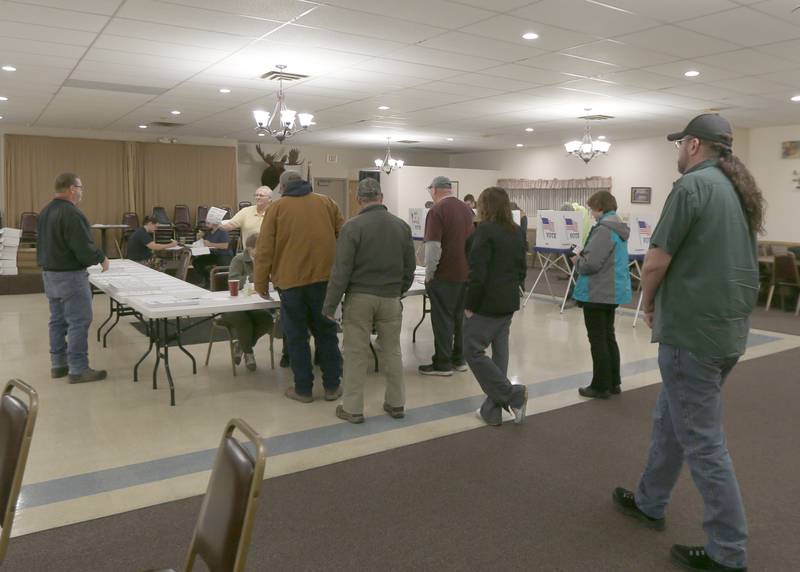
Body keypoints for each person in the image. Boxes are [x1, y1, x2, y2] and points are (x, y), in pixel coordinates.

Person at [613, 114, 764, 572]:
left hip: (691, 332)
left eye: (679, 144)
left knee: (703, 442)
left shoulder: (692, 187)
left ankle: (728, 551)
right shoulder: (738, 191)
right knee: (670, 419)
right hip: (727, 331)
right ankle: (650, 500)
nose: (677, 152)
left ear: (694, 145)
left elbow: (656, 261)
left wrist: (648, 303)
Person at [322, 178, 415, 423]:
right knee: (393, 351)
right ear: (381, 197)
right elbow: (410, 268)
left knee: (355, 353)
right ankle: (396, 404)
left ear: (358, 200)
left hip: (360, 298)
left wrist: (330, 305)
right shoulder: (402, 227)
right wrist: (400, 290)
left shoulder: (352, 227)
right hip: (391, 298)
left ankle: (352, 408)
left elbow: (341, 270)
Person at [254, 170, 345, 403]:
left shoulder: (276, 208)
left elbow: (264, 249)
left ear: (282, 188)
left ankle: (303, 390)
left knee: (296, 338)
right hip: (325, 281)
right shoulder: (327, 203)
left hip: (291, 283)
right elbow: (343, 237)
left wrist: (261, 283)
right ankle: (333, 386)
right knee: (327, 334)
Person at [463, 187, 528, 426]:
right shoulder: (516, 232)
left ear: (484, 206)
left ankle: (513, 395)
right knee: (500, 352)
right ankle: (492, 409)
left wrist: (471, 304)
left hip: (487, 303)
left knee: (471, 349)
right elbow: (522, 269)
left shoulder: (485, 232)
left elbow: (478, 272)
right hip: (508, 301)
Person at [37, 172, 109, 383]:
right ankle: (78, 369)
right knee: (78, 321)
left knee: (57, 321)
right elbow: (84, 249)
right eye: (80, 188)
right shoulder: (72, 214)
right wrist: (101, 257)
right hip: (70, 277)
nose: (81, 192)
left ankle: (58, 365)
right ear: (72, 189)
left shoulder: (45, 212)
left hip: (49, 274)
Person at [571, 190, 632, 399]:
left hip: (598, 291)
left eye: (592, 209)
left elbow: (591, 264)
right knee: (608, 336)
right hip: (612, 290)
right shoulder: (618, 227)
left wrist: (577, 260)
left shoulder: (603, 229)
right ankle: (614, 382)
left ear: (600, 207)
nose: (592, 214)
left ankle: (600, 385)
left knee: (597, 339)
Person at [420, 176, 474, 376]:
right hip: (465, 273)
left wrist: (429, 273)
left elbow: (433, 246)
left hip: (445, 274)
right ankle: (459, 359)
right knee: (460, 319)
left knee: (442, 319)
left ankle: (442, 363)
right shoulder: (467, 209)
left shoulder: (436, 211)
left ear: (434, 190)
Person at [223, 233, 274, 371]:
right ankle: (249, 353)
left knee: (267, 319)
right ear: (250, 249)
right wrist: (256, 275)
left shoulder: (266, 259)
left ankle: (240, 345)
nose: (264, 250)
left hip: (254, 304)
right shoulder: (238, 260)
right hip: (234, 306)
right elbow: (233, 280)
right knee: (244, 322)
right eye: (260, 248)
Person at [193, 220, 233, 288]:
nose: (206, 225)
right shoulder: (208, 232)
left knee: (223, 264)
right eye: (206, 223)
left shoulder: (222, 231)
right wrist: (199, 238)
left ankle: (224, 286)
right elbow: (203, 244)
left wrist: (210, 244)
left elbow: (225, 246)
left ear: (215, 223)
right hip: (213, 254)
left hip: (223, 254)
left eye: (208, 223)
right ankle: (207, 280)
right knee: (197, 262)